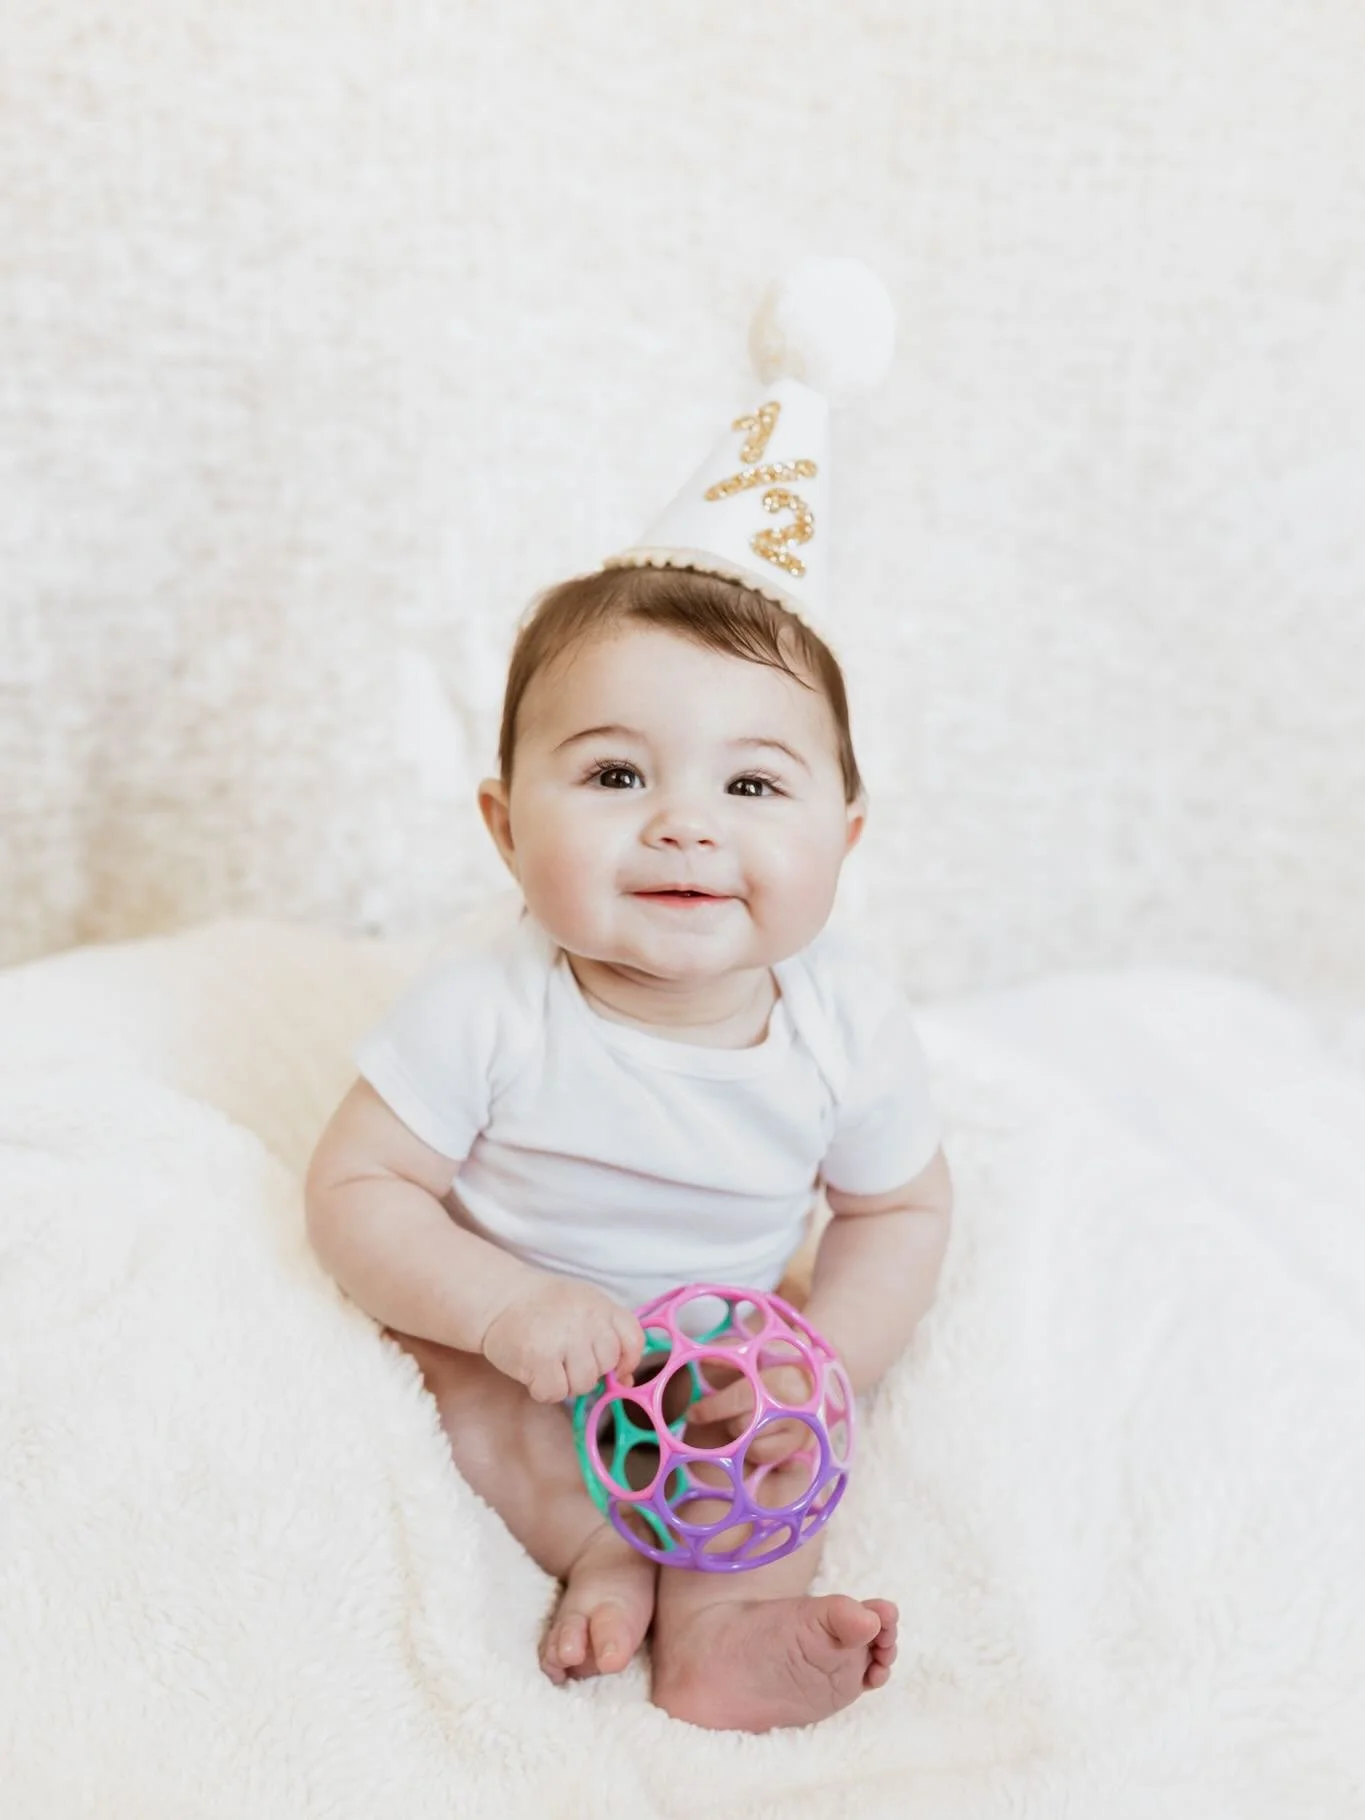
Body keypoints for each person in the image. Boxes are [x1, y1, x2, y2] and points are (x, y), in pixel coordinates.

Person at [305, 264, 954, 1732]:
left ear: (843, 841)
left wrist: (820, 1366)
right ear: (501, 825)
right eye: (613, 775)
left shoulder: (845, 1015)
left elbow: (898, 1211)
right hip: (522, 1336)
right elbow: (358, 1185)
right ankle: (595, 1545)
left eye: (751, 783)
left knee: (772, 1470)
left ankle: (725, 1628)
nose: (684, 825)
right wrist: (498, 1302)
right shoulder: (489, 1004)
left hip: (721, 1356)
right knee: (469, 1410)